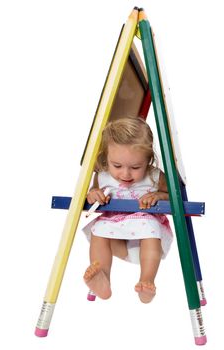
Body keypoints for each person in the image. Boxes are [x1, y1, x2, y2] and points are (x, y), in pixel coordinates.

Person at [82, 117, 173, 303]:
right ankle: (103, 277)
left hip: (145, 241)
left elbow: (172, 196)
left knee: (149, 225)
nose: (125, 174)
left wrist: (159, 196)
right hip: (116, 238)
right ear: (106, 157)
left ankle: (146, 281)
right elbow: (93, 193)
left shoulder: (155, 176)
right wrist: (93, 194)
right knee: (99, 229)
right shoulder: (103, 175)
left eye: (135, 167)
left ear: (148, 160)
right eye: (117, 166)